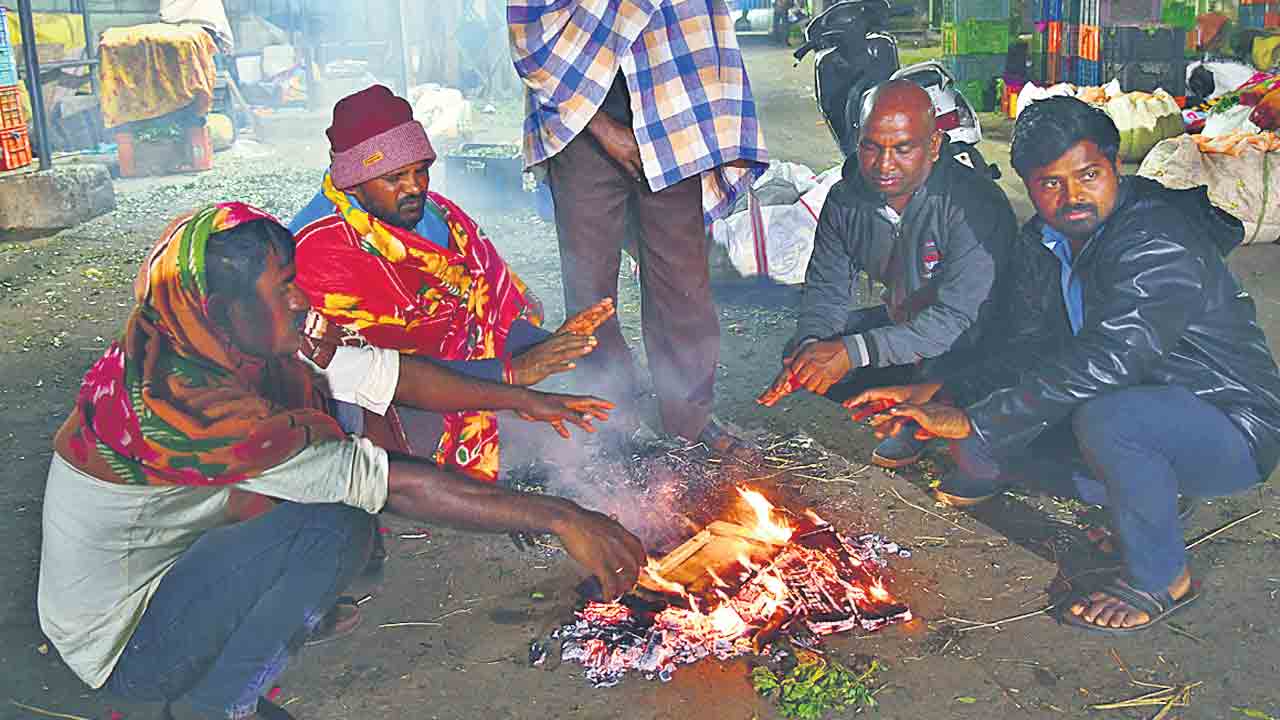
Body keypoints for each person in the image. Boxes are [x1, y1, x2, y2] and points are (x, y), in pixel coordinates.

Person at [38, 203, 646, 720]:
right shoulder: (177, 402)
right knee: (333, 525)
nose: (303, 299)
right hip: (123, 641)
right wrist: (563, 517)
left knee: (327, 464)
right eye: (283, 288)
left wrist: (522, 399)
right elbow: (380, 481)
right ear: (224, 309)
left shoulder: (219, 334)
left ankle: (221, 670)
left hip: (179, 566)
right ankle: (213, 707)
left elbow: (386, 373)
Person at [848, 96, 1280, 634]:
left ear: (1115, 163)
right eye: (1050, 183)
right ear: (1028, 185)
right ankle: (1147, 504)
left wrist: (975, 419)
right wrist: (941, 391)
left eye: (1088, 174)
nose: (1072, 196)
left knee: (1105, 421)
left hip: (1232, 425)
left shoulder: (1157, 239)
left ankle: (1162, 577)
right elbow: (1030, 347)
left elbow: (1112, 357)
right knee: (1008, 440)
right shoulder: (1047, 241)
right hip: (1149, 404)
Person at [289, 85, 615, 482]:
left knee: (564, 396)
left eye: (420, 169)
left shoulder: (439, 216)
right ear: (353, 182)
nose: (415, 188)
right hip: (383, 398)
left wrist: (540, 344)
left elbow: (483, 311)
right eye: (394, 177)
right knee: (416, 448)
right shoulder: (321, 251)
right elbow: (380, 373)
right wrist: (509, 373)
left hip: (457, 370)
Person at [508, 0, 769, 457]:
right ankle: (609, 414)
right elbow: (530, 36)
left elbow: (700, 26)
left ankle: (690, 417)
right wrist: (604, 128)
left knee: (682, 279)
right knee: (590, 288)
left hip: (673, 109)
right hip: (579, 126)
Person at [758, 80, 1015, 469]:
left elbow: (957, 320)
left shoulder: (972, 204)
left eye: (903, 148)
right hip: (907, 328)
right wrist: (810, 352)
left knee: (913, 358)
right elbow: (826, 290)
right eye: (871, 146)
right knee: (812, 353)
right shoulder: (846, 201)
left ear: (933, 145)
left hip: (979, 345)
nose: (884, 165)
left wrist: (853, 352)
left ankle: (976, 444)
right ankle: (910, 415)